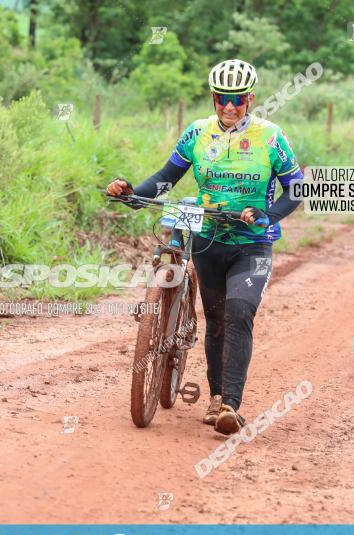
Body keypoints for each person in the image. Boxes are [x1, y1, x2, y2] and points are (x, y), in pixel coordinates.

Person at [105, 59, 304, 435]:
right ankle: (216, 400)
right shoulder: (197, 133)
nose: (230, 107)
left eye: (239, 100)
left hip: (252, 246)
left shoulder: (271, 137)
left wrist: (269, 215)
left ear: (251, 99)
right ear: (213, 98)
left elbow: (297, 188)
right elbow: (166, 178)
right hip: (208, 240)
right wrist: (133, 194)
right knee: (214, 321)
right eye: (222, 99)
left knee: (239, 313)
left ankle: (231, 403)